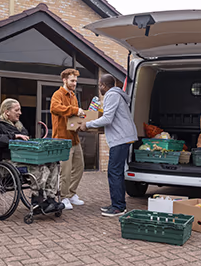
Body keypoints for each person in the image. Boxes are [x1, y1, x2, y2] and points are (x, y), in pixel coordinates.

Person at [0, 98, 64, 213]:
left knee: (52, 164)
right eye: (17, 110)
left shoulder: (20, 127)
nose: (20, 113)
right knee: (40, 168)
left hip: (24, 160)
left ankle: (50, 198)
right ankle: (37, 202)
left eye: (20, 110)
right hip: (9, 163)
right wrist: (14, 136)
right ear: (7, 112)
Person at [79, 74, 138, 217]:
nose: (99, 88)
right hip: (123, 137)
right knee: (116, 172)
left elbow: (107, 118)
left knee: (114, 172)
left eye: (100, 85)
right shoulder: (117, 95)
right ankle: (117, 204)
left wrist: (87, 124)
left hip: (120, 138)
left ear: (104, 85)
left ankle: (118, 207)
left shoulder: (112, 95)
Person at [50, 69, 86, 210]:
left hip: (74, 138)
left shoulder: (73, 96)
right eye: (72, 80)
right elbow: (55, 108)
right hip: (62, 139)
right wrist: (75, 110)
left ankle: (71, 194)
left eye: (76, 81)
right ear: (64, 80)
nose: (74, 83)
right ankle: (63, 197)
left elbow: (74, 117)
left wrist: (82, 119)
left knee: (79, 167)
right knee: (65, 171)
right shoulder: (57, 94)